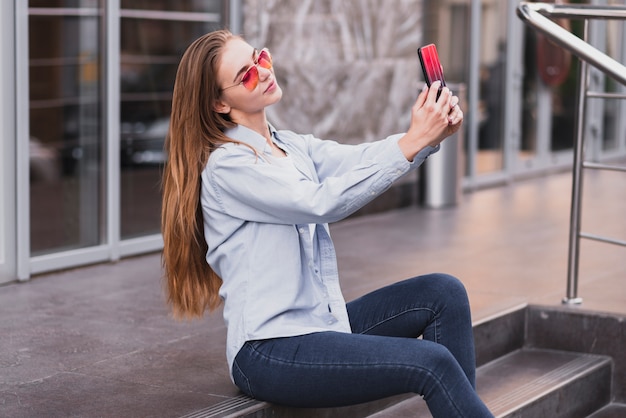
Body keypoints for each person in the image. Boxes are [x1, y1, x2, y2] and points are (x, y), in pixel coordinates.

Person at [161, 29, 493, 418]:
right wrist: (414, 141)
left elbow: (357, 159)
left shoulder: (287, 145)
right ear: (219, 103)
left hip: (320, 324)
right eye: (247, 74)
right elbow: (319, 202)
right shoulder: (227, 166)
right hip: (270, 351)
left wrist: (422, 138)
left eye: (260, 58)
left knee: (443, 293)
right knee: (430, 362)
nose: (263, 71)